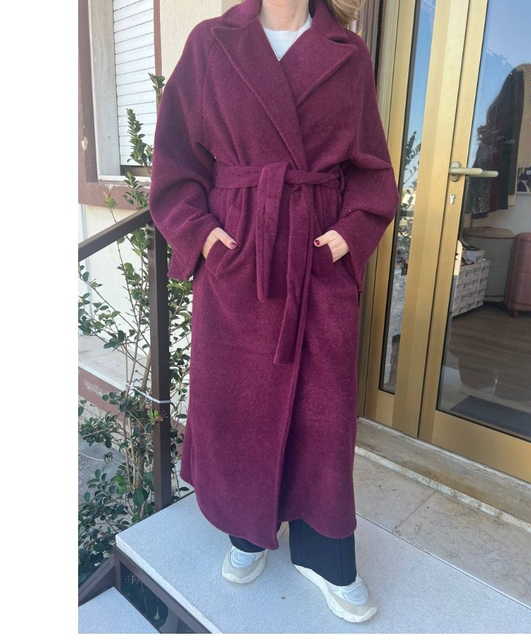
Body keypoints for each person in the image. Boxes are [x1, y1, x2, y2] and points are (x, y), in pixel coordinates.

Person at [148, 0, 399, 624]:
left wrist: (347, 237)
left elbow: (371, 170)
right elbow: (176, 159)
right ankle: (247, 531)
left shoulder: (347, 53)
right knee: (239, 402)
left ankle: (325, 553)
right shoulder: (212, 43)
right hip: (240, 258)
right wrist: (204, 235)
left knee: (323, 410)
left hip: (316, 259)